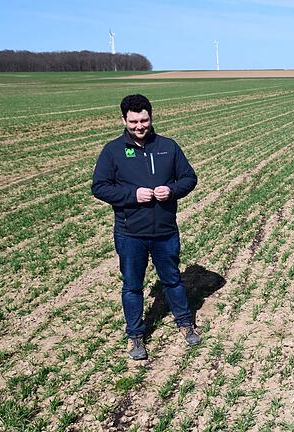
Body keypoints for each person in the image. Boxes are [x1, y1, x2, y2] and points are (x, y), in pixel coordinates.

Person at [92, 94, 200, 360]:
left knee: (172, 279)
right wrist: (132, 195)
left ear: (151, 117)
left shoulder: (168, 146)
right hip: (130, 234)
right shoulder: (113, 150)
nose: (139, 126)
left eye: (144, 120)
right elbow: (100, 187)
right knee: (132, 286)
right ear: (123, 120)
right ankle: (135, 336)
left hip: (164, 231)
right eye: (133, 121)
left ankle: (185, 324)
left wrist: (171, 190)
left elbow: (189, 177)